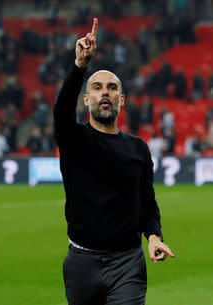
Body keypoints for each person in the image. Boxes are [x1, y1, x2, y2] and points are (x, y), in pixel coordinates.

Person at [53, 18, 174, 305]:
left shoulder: (138, 148)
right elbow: (60, 112)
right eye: (97, 87)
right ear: (86, 99)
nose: (104, 92)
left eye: (111, 87)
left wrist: (154, 236)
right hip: (81, 263)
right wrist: (80, 66)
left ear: (122, 99)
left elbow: (147, 201)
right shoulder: (74, 140)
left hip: (127, 263)